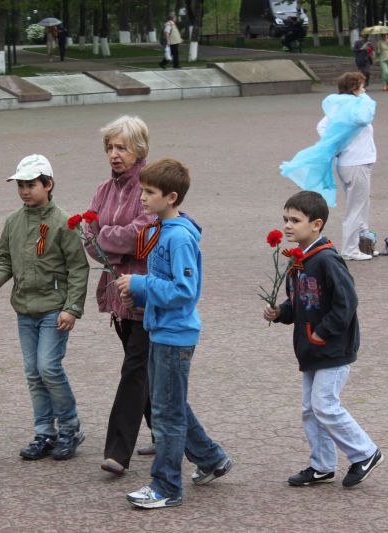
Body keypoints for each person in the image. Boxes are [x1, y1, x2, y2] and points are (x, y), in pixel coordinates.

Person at [115, 158, 233, 509]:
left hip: (174, 335)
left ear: (171, 197)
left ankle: (166, 486)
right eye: (142, 190)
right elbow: (164, 284)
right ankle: (211, 458)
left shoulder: (178, 237)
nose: (142, 197)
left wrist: (140, 284)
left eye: (150, 192)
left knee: (166, 414)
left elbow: (184, 290)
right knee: (170, 404)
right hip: (162, 330)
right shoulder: (162, 230)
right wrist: (139, 293)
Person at [263, 190, 383, 489]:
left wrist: (323, 331)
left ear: (316, 224)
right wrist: (281, 312)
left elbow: (346, 303)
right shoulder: (298, 260)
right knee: (310, 409)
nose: (288, 225)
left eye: (295, 220)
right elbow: (301, 302)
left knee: (325, 406)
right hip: (310, 350)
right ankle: (322, 465)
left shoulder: (327, 260)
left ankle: (365, 452)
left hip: (332, 349)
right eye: (285, 219)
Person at [0, 154, 90, 461]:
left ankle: (69, 427)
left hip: (54, 308)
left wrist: (72, 308)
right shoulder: (13, 221)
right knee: (33, 372)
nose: (25, 191)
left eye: (31, 185)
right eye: (21, 186)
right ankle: (44, 432)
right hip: (25, 309)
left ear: (48, 185)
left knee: (48, 368)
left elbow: (78, 268)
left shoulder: (63, 222)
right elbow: (5, 258)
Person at [86, 116, 155, 477]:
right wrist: (111, 241)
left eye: (122, 148)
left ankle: (117, 451)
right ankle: (166, 431)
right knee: (144, 371)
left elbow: (141, 237)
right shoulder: (102, 190)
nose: (114, 154)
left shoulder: (150, 187)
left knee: (134, 371)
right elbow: (88, 240)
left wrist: (106, 238)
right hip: (116, 293)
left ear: (139, 150)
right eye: (110, 147)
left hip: (145, 294)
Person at [316, 72, 377, 261]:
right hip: (355, 162)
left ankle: (364, 245)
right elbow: (362, 119)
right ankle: (350, 250)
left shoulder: (345, 107)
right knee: (356, 207)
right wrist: (338, 145)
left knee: (362, 204)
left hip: (357, 162)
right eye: (362, 86)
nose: (365, 89)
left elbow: (322, 126)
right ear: (355, 89)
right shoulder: (354, 107)